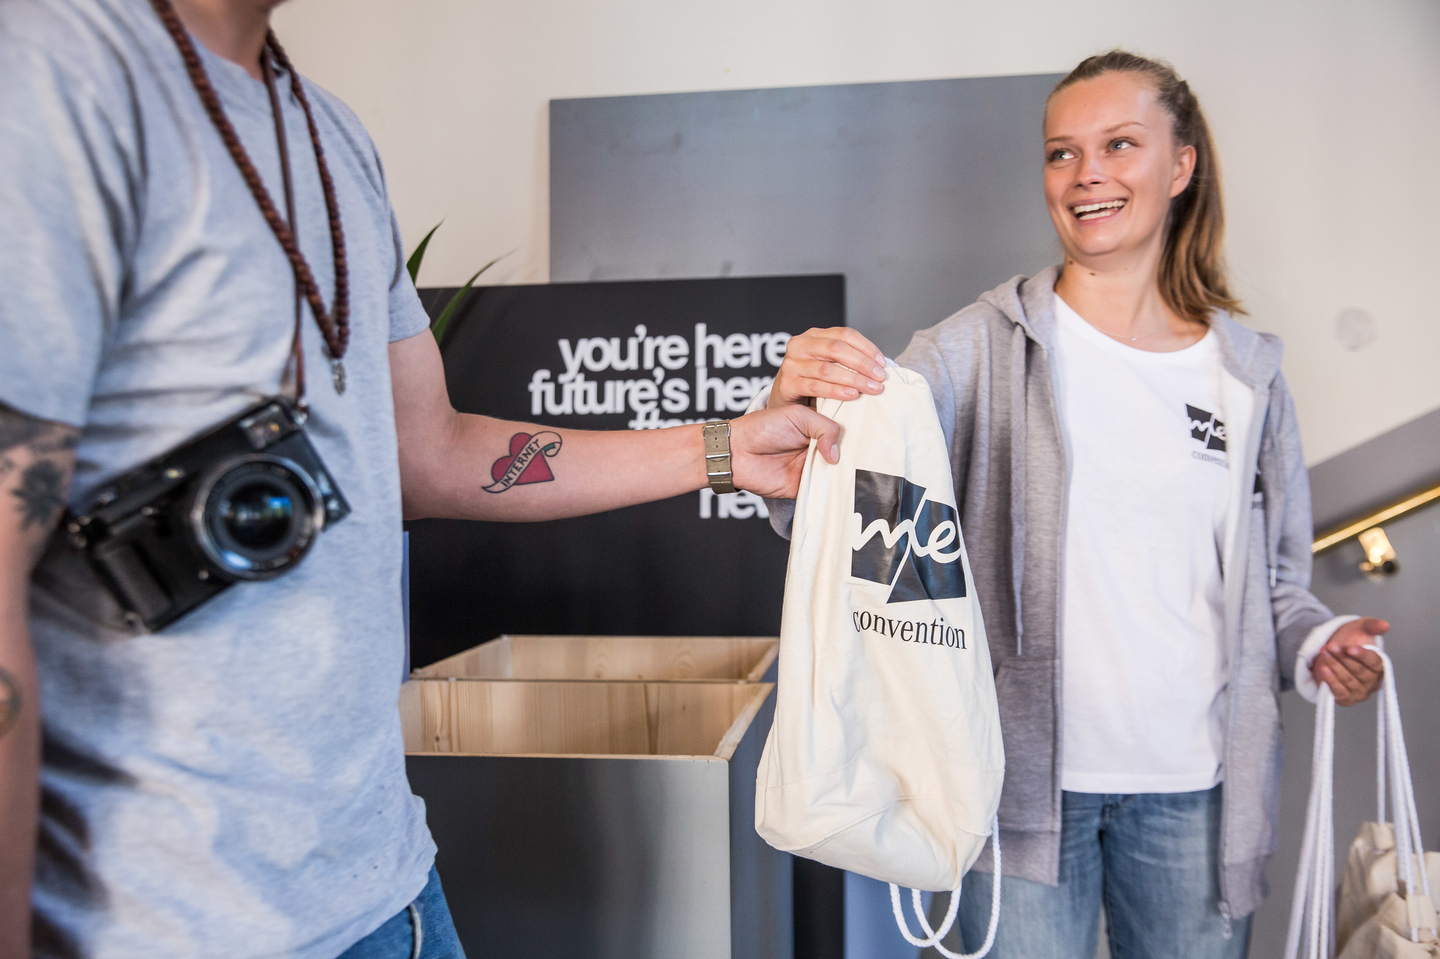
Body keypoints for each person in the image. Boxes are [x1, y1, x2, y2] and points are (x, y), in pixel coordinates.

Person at [0, 0, 842, 955]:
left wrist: (728, 447)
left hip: (388, 896)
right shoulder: (47, 75)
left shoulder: (326, 132)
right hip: (164, 926)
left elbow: (431, 451)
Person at [761, 51, 1386, 958]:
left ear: (1181, 166)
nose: (1086, 173)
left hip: (1198, 791)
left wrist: (1318, 642)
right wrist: (801, 405)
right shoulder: (976, 347)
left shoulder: (1247, 377)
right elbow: (856, 488)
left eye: (1119, 144)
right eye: (1062, 153)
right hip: (1011, 789)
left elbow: (1276, 583)